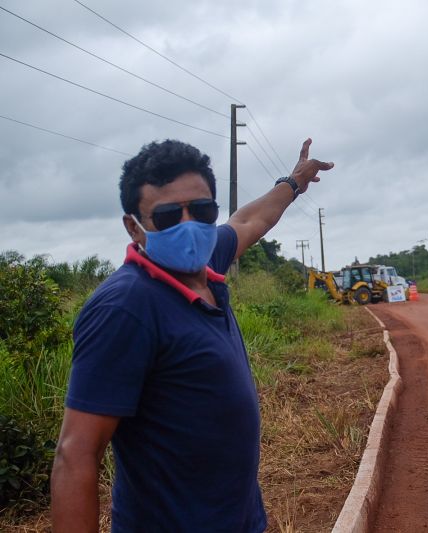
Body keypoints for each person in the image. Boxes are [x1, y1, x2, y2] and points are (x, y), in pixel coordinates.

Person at [50, 138, 333, 532]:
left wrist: (295, 181)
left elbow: (250, 221)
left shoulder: (206, 261)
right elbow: (75, 455)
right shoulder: (125, 308)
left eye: (201, 211)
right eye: (167, 216)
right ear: (134, 227)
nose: (188, 227)